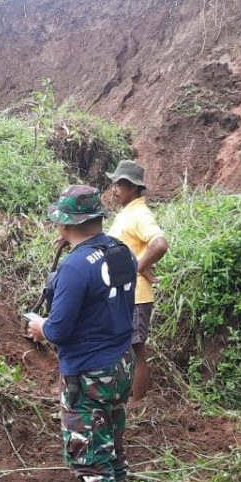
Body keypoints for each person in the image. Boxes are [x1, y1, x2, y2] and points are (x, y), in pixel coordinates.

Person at [27, 185, 136, 482]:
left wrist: (40, 327)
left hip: (88, 376)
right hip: (121, 365)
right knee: (112, 452)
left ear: (65, 224)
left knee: (91, 465)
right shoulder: (121, 250)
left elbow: (58, 331)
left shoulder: (75, 266)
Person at [105, 160, 168, 401]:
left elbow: (159, 243)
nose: (115, 189)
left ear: (133, 187)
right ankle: (124, 399)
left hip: (136, 296)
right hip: (122, 294)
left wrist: (136, 269)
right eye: (115, 184)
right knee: (123, 350)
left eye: (120, 184)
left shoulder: (140, 214)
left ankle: (139, 406)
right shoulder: (127, 213)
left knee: (135, 351)